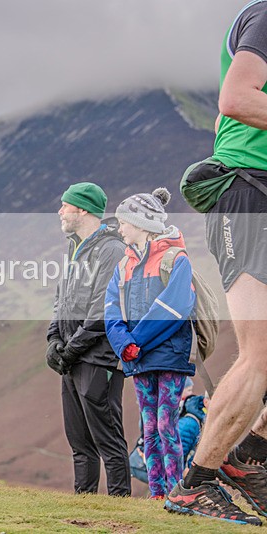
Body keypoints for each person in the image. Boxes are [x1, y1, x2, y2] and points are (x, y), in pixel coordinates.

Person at [165, 2, 267, 525]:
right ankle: (196, 485)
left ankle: (251, 452)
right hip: (249, 189)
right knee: (260, 353)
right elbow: (237, 97)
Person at [104, 188, 197, 499]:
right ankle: (157, 494)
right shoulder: (123, 265)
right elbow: (110, 308)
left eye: (123, 223)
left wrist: (135, 341)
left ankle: (175, 492)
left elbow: (174, 307)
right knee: (149, 428)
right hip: (139, 358)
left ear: (141, 224)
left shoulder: (176, 258)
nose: (120, 229)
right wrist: (123, 345)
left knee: (167, 425)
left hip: (168, 357)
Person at [46, 182, 130, 496]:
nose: (60, 212)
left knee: (107, 436)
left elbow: (101, 313)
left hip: (100, 358)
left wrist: (67, 351)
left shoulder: (112, 250)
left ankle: (120, 506)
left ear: (82, 209)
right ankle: (85, 504)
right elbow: (61, 300)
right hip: (72, 357)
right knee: (79, 440)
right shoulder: (74, 248)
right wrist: (53, 340)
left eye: (65, 206)